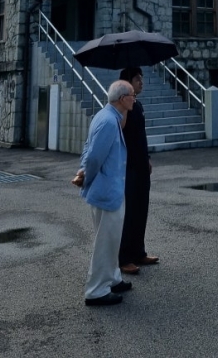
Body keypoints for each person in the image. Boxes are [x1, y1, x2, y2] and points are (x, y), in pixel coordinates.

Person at [71, 80, 136, 306]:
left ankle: (112, 277)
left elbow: (90, 148)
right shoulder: (109, 121)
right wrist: (85, 176)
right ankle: (96, 289)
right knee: (105, 241)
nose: (135, 98)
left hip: (110, 189)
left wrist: (83, 171)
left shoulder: (107, 117)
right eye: (132, 95)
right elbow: (95, 156)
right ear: (121, 99)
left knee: (111, 238)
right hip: (107, 190)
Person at [118, 67, 159, 275]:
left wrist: (147, 158)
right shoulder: (122, 108)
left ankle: (138, 252)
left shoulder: (138, 105)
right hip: (128, 167)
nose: (141, 82)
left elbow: (141, 138)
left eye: (141, 78)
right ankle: (123, 257)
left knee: (142, 209)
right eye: (137, 79)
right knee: (129, 212)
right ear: (126, 83)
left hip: (142, 165)